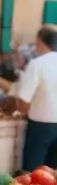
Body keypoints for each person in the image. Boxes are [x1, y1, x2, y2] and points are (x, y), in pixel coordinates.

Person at [15, 27, 57, 170]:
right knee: (53, 177)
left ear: (40, 42)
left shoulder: (38, 64)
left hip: (41, 127)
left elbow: (24, 99)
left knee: (33, 173)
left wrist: (22, 112)